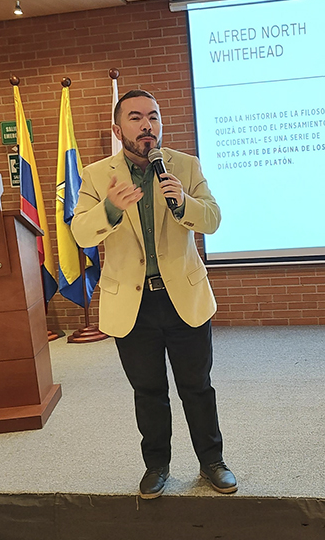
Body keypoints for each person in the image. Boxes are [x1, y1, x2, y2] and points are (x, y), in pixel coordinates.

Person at [71, 89, 236, 499]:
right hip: (132, 303)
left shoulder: (184, 166)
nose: (147, 126)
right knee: (148, 392)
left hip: (184, 298)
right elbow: (79, 232)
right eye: (136, 118)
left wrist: (183, 203)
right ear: (117, 128)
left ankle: (212, 462)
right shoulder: (96, 176)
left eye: (154, 117)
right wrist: (109, 208)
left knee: (197, 386)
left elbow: (213, 219)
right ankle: (157, 466)